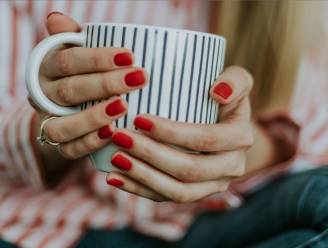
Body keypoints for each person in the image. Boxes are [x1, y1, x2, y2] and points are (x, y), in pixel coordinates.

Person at [0, 1, 327, 247]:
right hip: (48, 228)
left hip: (197, 225)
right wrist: (52, 121)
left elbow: (318, 126)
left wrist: (244, 145)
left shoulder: (270, 12)